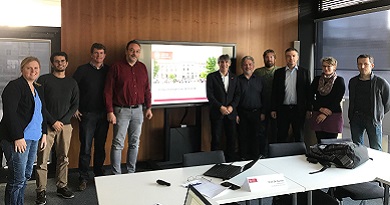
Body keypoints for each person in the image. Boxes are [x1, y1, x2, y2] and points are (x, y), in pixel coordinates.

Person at [0, 57, 47, 205]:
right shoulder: (14, 86)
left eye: (36, 68)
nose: (33, 71)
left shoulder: (38, 87)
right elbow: (9, 113)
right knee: (17, 178)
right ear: (22, 69)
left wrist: (44, 133)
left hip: (33, 138)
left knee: (26, 176)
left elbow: (42, 112)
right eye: (29, 68)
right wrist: (18, 136)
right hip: (18, 139)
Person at [35, 52, 79, 204]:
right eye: (57, 61)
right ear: (52, 63)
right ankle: (41, 190)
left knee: (63, 158)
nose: (60, 64)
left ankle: (62, 186)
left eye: (62, 61)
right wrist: (53, 121)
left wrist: (62, 121)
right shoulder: (44, 80)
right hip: (46, 126)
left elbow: (75, 105)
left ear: (67, 63)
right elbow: (40, 104)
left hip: (65, 127)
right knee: (42, 159)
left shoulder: (72, 82)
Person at [104, 40, 153, 175]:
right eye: (131, 50)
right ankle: (116, 174)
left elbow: (147, 89)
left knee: (134, 143)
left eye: (137, 51)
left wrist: (148, 107)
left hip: (139, 111)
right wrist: (110, 111)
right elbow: (108, 91)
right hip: (120, 111)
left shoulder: (142, 67)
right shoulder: (116, 67)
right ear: (126, 51)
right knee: (118, 144)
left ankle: (131, 172)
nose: (134, 53)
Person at [73, 43, 109, 191]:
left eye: (101, 53)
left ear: (104, 55)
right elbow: (72, 89)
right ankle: (83, 177)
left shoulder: (108, 70)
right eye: (96, 53)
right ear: (91, 54)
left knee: (100, 147)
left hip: (104, 114)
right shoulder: (82, 70)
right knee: (86, 148)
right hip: (87, 114)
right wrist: (74, 108)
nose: (98, 56)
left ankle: (99, 174)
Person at [348, 54, 390, 151]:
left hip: (373, 119)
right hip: (356, 118)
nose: (362, 67)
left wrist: (378, 114)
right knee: (357, 149)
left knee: (376, 149)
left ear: (372, 65)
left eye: (365, 64)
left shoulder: (380, 82)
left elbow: (387, 102)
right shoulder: (353, 81)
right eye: (359, 64)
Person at [271, 48, 311, 142]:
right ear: (285, 58)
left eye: (293, 56)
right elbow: (274, 92)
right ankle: (281, 155)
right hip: (283, 109)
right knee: (281, 135)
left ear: (297, 58)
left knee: (299, 135)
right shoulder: (279, 73)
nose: (291, 58)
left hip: (299, 109)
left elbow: (308, 92)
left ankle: (299, 156)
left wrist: (309, 108)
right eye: (288, 56)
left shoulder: (304, 72)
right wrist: (273, 108)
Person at [206, 54, 240, 161]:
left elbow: (238, 95)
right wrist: (220, 107)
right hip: (217, 113)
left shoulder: (235, 78)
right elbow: (210, 95)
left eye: (226, 62)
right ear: (218, 64)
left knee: (231, 138)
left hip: (231, 113)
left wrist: (231, 107)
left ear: (229, 64)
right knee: (216, 138)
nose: (224, 64)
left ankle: (230, 160)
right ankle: (214, 161)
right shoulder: (211, 77)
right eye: (221, 62)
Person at [309, 57, 345, 143]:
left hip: (333, 114)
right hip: (318, 112)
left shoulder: (339, 80)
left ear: (334, 67)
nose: (326, 68)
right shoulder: (317, 79)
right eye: (324, 66)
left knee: (331, 143)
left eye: (329, 66)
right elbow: (310, 96)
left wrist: (325, 113)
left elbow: (337, 99)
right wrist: (320, 109)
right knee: (319, 141)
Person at [236, 56, 266, 159]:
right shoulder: (237, 80)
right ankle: (243, 157)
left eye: (250, 64)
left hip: (257, 112)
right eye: (245, 64)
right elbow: (233, 98)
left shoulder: (259, 80)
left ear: (253, 66)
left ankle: (255, 157)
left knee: (256, 136)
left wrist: (263, 112)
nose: (247, 67)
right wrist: (236, 114)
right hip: (242, 113)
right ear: (241, 66)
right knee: (242, 136)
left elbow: (264, 97)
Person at [254, 49, 279, 144]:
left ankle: (274, 152)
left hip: (276, 107)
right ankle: (262, 152)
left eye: (271, 57)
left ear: (275, 59)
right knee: (261, 131)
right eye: (267, 57)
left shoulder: (280, 71)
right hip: (262, 106)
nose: (269, 59)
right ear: (263, 59)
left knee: (275, 131)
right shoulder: (258, 72)